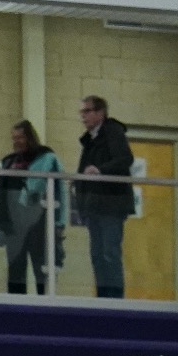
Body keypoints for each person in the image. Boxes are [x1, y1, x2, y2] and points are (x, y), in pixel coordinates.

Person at [0, 120, 65, 295]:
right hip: (14, 225)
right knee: (15, 271)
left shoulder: (47, 158)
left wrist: (60, 221)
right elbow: (1, 194)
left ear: (29, 137)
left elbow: (60, 192)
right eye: (14, 138)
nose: (16, 141)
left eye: (20, 137)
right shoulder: (7, 162)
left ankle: (46, 309)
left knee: (41, 270)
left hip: (39, 224)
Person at [75, 96, 133, 299]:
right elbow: (82, 172)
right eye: (82, 112)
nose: (83, 116)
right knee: (98, 255)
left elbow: (125, 159)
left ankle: (115, 299)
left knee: (109, 253)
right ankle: (103, 297)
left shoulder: (112, 131)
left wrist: (100, 170)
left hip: (111, 203)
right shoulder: (90, 139)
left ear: (100, 113)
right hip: (95, 205)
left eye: (87, 111)